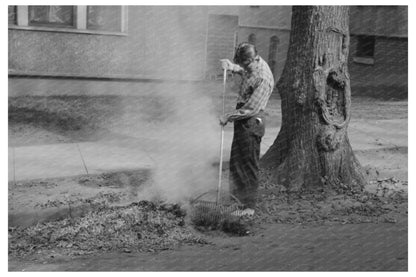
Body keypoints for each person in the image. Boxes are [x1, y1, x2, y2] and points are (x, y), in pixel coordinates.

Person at [220, 42, 274, 216]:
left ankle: (248, 207)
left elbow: (251, 108)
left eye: (244, 63)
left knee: (247, 166)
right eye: (240, 63)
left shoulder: (263, 78)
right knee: (236, 163)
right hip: (243, 119)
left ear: (252, 59)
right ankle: (236, 203)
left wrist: (228, 116)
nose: (243, 66)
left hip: (251, 122)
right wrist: (232, 67)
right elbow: (245, 71)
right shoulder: (252, 65)